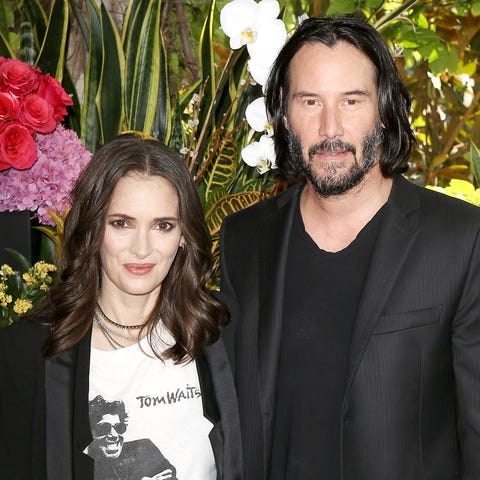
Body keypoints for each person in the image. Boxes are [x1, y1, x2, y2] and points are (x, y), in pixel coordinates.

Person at [219, 14, 480, 480]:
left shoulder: (460, 240)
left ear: (383, 109)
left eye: (351, 100)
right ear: (282, 110)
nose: (331, 127)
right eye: (311, 100)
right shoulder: (243, 239)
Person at [0, 133, 242, 479]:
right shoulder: (27, 354)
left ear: (184, 235)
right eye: (122, 223)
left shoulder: (224, 337)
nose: (141, 249)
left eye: (162, 225)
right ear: (93, 228)